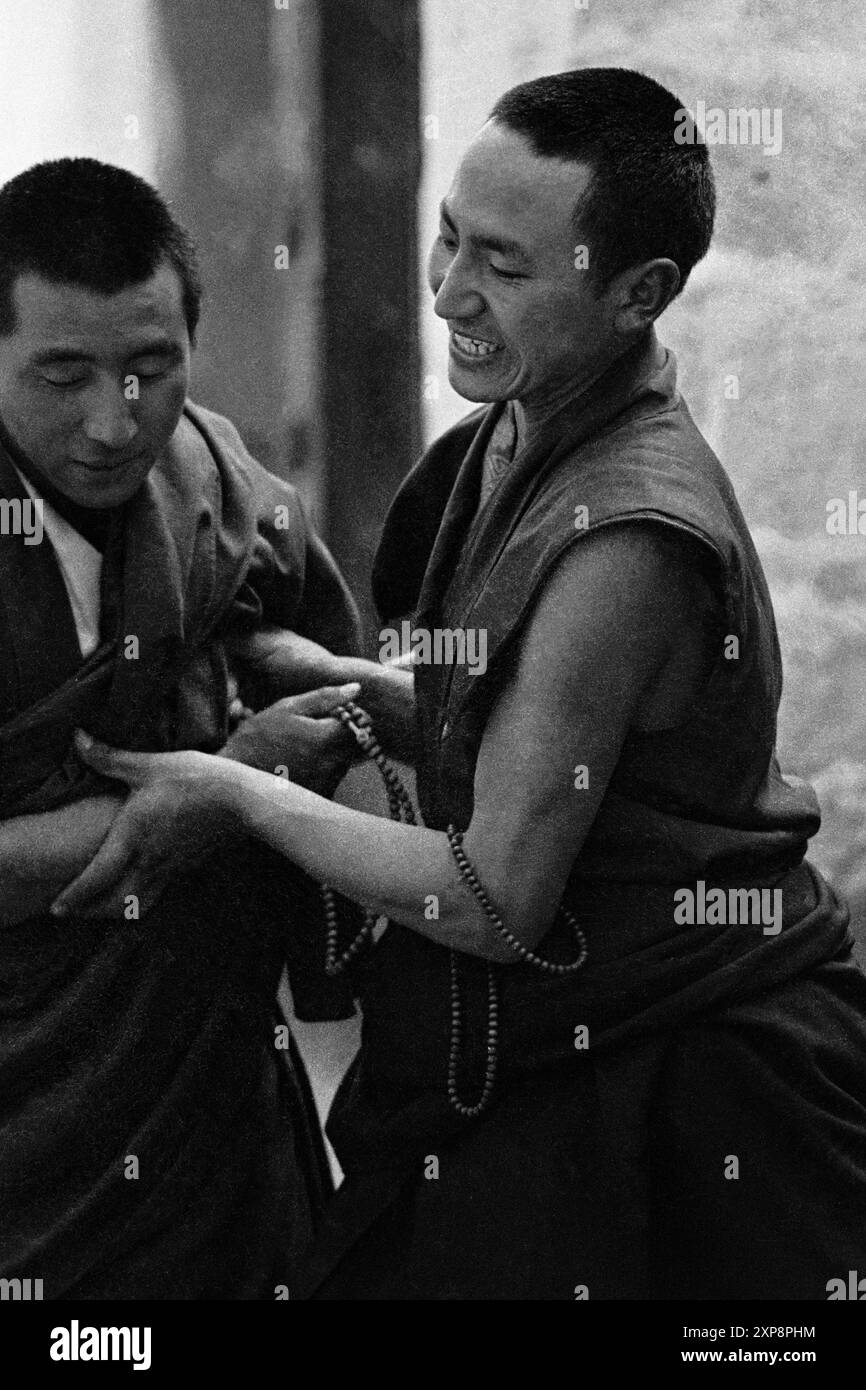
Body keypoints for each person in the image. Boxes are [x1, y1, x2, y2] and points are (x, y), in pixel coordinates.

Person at [55, 71, 866, 1301]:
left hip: (671, 1088)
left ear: (637, 294)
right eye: (447, 237)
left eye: (503, 265)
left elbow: (493, 898)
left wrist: (231, 793)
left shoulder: (625, 545)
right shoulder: (520, 424)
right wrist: (363, 690)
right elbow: (517, 712)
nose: (446, 295)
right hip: (529, 1063)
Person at [0, 158, 365, 1299]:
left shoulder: (208, 473)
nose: (115, 422)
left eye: (150, 368)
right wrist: (220, 789)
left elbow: (280, 635)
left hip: (202, 1097)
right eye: (63, 374)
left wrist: (308, 693)